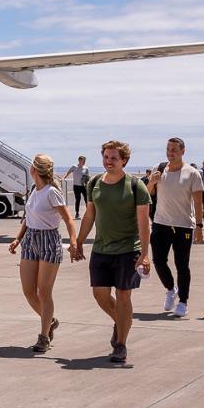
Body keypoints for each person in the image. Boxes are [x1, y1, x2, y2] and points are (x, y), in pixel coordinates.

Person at [73, 140, 151, 365]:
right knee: (100, 294)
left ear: (124, 160)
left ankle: (121, 344)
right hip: (101, 248)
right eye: (106, 157)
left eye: (114, 158)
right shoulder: (95, 182)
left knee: (124, 294)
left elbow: (144, 223)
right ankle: (121, 321)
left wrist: (145, 254)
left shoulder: (136, 186)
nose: (109, 161)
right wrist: (78, 242)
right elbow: (89, 215)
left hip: (128, 249)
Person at [8, 153, 75, 353]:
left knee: (44, 292)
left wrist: (73, 242)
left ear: (34, 170)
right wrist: (17, 239)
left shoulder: (51, 192)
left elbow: (68, 219)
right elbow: (28, 219)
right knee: (29, 291)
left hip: (48, 240)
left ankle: (44, 336)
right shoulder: (34, 191)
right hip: (30, 241)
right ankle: (51, 321)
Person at [146, 137, 204, 318]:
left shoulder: (192, 173)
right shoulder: (160, 168)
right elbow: (148, 195)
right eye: (168, 149)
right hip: (160, 223)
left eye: (174, 150)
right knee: (159, 261)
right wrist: (151, 182)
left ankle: (183, 302)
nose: (170, 153)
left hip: (183, 226)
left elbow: (198, 203)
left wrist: (199, 227)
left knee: (182, 265)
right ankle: (171, 289)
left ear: (182, 152)